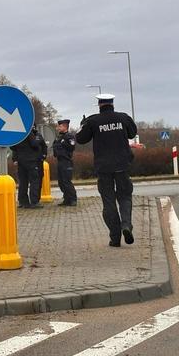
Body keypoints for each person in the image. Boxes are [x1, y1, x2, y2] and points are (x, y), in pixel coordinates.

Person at [76, 94, 138, 247]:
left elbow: (80, 138)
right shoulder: (123, 118)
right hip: (122, 165)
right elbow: (132, 132)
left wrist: (82, 124)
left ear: (99, 104)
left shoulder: (93, 121)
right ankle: (126, 225)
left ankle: (115, 238)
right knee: (125, 197)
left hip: (104, 168)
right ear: (112, 104)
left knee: (108, 202)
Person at [11, 126, 42, 208]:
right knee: (34, 181)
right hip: (31, 160)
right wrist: (38, 139)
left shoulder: (17, 134)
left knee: (23, 182)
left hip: (21, 161)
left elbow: (12, 146)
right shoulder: (28, 133)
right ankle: (34, 202)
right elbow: (34, 144)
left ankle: (23, 202)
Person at [53, 119, 77, 206]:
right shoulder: (59, 137)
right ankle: (67, 199)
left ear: (65, 126)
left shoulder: (69, 136)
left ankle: (73, 199)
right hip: (60, 161)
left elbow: (71, 147)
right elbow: (54, 147)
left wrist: (63, 143)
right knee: (61, 182)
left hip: (66, 161)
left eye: (60, 126)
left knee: (67, 181)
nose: (58, 128)